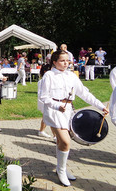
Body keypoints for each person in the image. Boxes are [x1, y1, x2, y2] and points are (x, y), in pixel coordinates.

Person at [39, 50, 108, 186]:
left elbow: (84, 94)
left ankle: (61, 169)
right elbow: (43, 97)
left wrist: (100, 106)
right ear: (54, 62)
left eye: (67, 61)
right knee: (65, 142)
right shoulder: (49, 75)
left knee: (61, 141)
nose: (66, 63)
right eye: (62, 61)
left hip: (68, 111)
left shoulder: (71, 76)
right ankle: (62, 170)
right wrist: (57, 105)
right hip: (54, 111)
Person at [37, 64, 56, 140]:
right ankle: (55, 136)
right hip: (45, 101)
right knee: (51, 118)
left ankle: (41, 131)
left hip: (48, 101)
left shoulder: (49, 79)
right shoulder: (43, 81)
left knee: (46, 117)